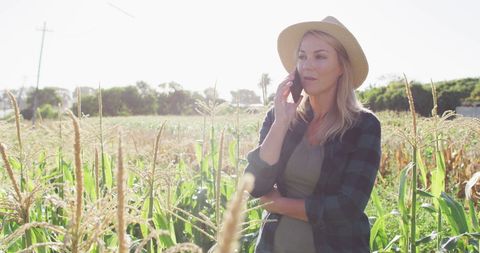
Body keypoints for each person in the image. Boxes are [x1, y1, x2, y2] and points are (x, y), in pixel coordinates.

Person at [244, 16, 381, 253]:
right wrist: (281, 123)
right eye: (302, 56)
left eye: (320, 56)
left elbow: (347, 206)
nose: (307, 65)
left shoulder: (363, 126)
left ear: (341, 67)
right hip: (273, 246)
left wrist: (278, 204)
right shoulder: (279, 117)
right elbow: (255, 185)